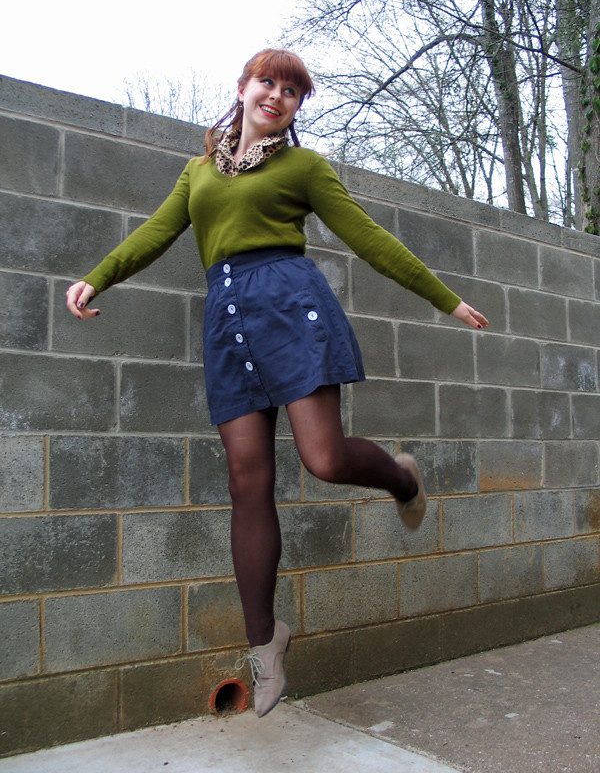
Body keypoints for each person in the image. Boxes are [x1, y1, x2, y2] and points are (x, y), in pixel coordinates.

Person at [66, 48, 489, 718]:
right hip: (228, 320)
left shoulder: (304, 167)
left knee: (323, 458)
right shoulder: (199, 170)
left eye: (292, 91)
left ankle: (401, 478)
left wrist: (445, 299)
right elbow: (157, 230)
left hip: (291, 308)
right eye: (269, 81)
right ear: (243, 87)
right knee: (246, 482)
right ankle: (265, 647)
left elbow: (367, 236)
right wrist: (100, 274)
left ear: (295, 107)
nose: (278, 95)